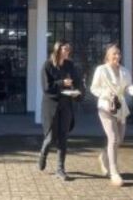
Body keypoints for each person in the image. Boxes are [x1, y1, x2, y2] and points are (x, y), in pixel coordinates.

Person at [89, 44, 133, 187]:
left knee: (119, 139)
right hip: (106, 107)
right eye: (114, 53)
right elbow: (94, 88)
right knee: (113, 139)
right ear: (107, 56)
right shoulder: (101, 70)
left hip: (120, 108)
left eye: (118, 53)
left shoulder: (125, 71)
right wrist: (106, 94)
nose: (117, 56)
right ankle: (114, 172)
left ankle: (104, 156)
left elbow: (127, 88)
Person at [38, 41, 84, 181]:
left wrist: (78, 93)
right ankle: (43, 152)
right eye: (65, 49)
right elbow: (46, 88)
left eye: (69, 49)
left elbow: (78, 82)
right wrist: (62, 83)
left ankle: (60, 169)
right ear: (58, 49)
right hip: (51, 106)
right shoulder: (47, 65)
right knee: (51, 138)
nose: (68, 51)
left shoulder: (70, 65)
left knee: (63, 137)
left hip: (66, 105)